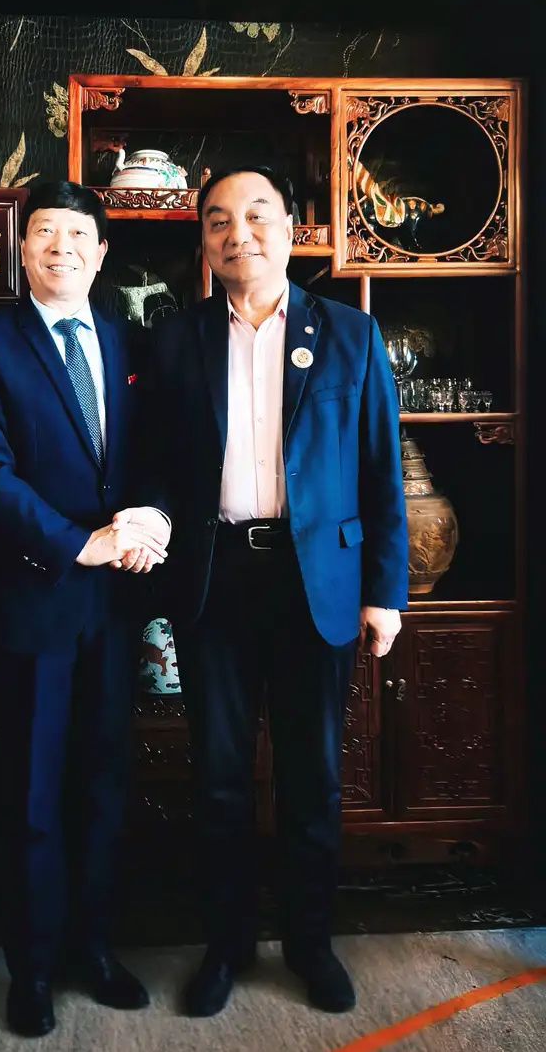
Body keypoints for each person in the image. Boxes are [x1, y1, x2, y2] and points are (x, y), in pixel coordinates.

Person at [127, 165, 408, 1017]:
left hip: (314, 579)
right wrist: (147, 525)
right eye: (218, 220)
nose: (236, 232)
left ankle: (311, 943)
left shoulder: (351, 334)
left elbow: (380, 470)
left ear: (289, 229)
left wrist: (385, 591)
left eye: (255, 215)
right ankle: (227, 944)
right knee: (218, 774)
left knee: (312, 774)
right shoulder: (176, 339)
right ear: (204, 242)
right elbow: (152, 463)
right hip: (214, 578)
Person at [0, 180, 170, 1038]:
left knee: (103, 787)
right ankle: (32, 970)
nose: (61, 247)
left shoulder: (125, 340)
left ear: (101, 252)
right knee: (33, 797)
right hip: (33, 601)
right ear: (22, 247)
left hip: (114, 607)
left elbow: (154, 452)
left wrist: (152, 519)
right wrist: (78, 543)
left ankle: (93, 951)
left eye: (78, 234)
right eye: (44, 232)